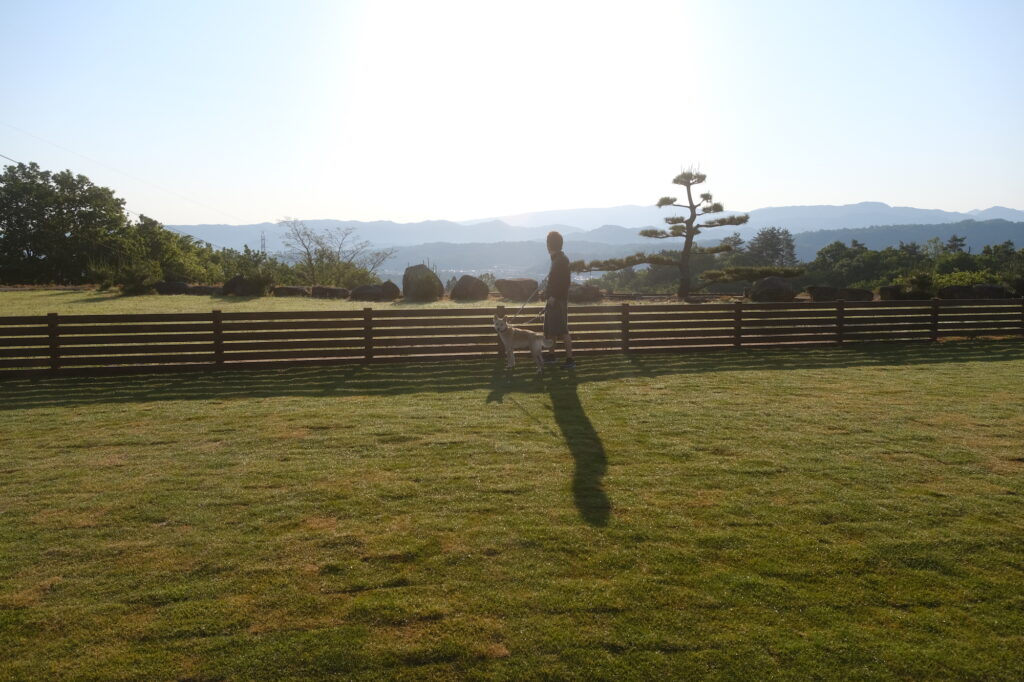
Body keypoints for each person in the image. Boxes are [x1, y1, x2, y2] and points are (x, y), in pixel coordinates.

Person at [543, 231, 575, 369]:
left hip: (557, 301)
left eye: (547, 242)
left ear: (550, 244)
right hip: (554, 300)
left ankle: (570, 360)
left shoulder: (560, 261)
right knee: (551, 329)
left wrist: (553, 297)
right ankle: (551, 356)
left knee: (562, 330)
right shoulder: (558, 259)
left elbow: (563, 283)